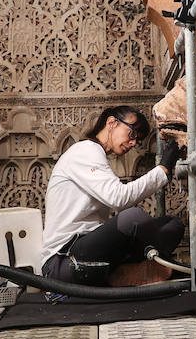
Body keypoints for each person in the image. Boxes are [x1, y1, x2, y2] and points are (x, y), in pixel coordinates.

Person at [40, 105, 185, 284]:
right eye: (132, 134)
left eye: (138, 140)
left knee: (173, 224)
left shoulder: (96, 154)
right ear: (111, 123)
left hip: (90, 250)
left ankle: (122, 273)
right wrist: (163, 170)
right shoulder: (85, 150)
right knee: (133, 218)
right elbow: (118, 198)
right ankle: (124, 273)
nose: (133, 143)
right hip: (63, 260)